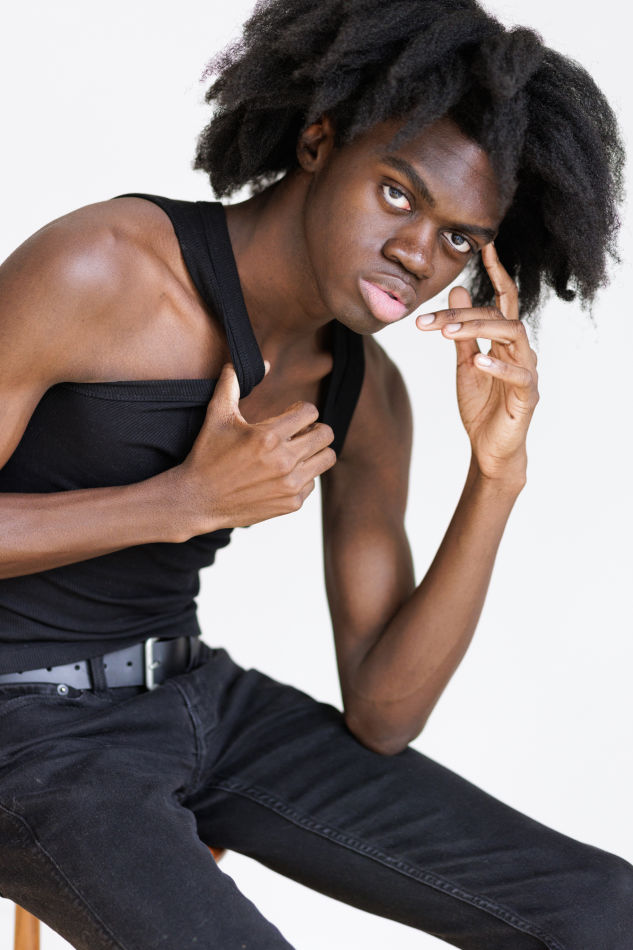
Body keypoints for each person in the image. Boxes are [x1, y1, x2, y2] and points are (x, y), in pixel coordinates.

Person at [0, 0, 630, 947]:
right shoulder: (107, 267)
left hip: (197, 698)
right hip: (23, 731)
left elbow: (382, 714)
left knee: (601, 910)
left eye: (459, 239)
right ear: (318, 141)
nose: (417, 255)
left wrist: (496, 475)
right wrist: (178, 503)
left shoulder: (364, 393)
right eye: (398, 194)